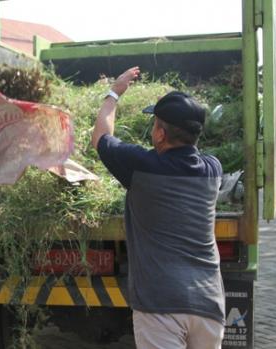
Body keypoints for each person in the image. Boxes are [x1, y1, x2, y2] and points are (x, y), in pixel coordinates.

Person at [91, 67, 225, 349]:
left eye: (154, 125)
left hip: (161, 305)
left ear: (161, 134)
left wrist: (114, 92)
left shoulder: (142, 167)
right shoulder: (213, 169)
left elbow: (100, 137)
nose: (152, 130)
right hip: (208, 305)